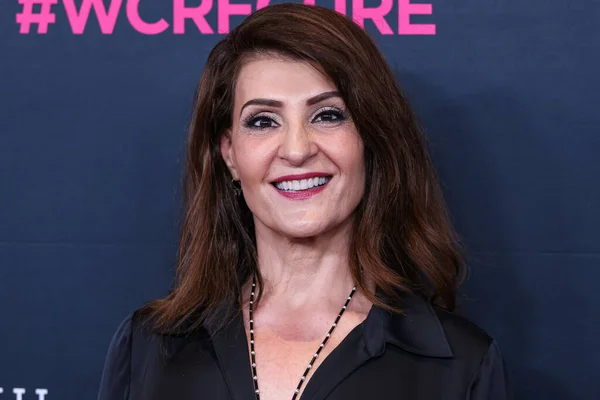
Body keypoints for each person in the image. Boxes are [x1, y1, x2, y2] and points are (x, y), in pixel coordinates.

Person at [98, 3, 511, 399]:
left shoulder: (460, 364)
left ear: (371, 138)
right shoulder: (149, 347)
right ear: (230, 154)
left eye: (327, 115)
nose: (296, 150)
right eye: (263, 121)